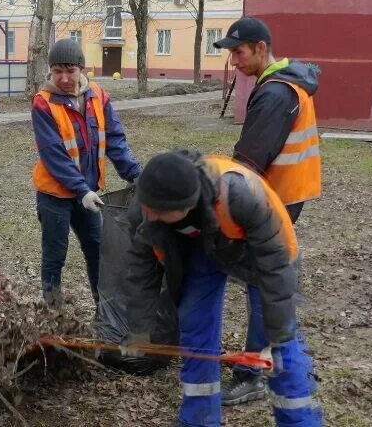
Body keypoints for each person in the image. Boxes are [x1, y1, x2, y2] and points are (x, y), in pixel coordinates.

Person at [119, 151, 323, 427]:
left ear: (186, 205)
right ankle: (199, 419)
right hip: (204, 251)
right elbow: (139, 272)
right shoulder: (146, 208)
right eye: (148, 207)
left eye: (158, 211)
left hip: (263, 255)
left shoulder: (240, 194)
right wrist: (140, 330)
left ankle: (299, 420)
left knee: (278, 342)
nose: (150, 215)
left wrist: (277, 333)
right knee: (193, 323)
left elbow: (276, 266)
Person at [215, 16, 322, 405]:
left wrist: (220, 200)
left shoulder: (276, 94)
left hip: (273, 203)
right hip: (287, 197)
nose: (233, 61)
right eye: (230, 53)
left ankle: (252, 374)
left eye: (238, 52)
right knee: (268, 283)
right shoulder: (288, 83)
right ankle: (279, 358)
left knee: (262, 287)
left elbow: (249, 162)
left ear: (262, 49)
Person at [31, 38, 142, 306]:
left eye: (70, 70)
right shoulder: (43, 103)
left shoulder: (98, 97)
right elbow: (54, 154)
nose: (65, 78)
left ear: (82, 69)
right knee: (55, 255)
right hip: (55, 195)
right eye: (58, 71)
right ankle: (52, 310)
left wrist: (136, 174)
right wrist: (81, 189)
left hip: (90, 195)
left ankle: (103, 309)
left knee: (98, 251)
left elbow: (115, 140)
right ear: (51, 72)